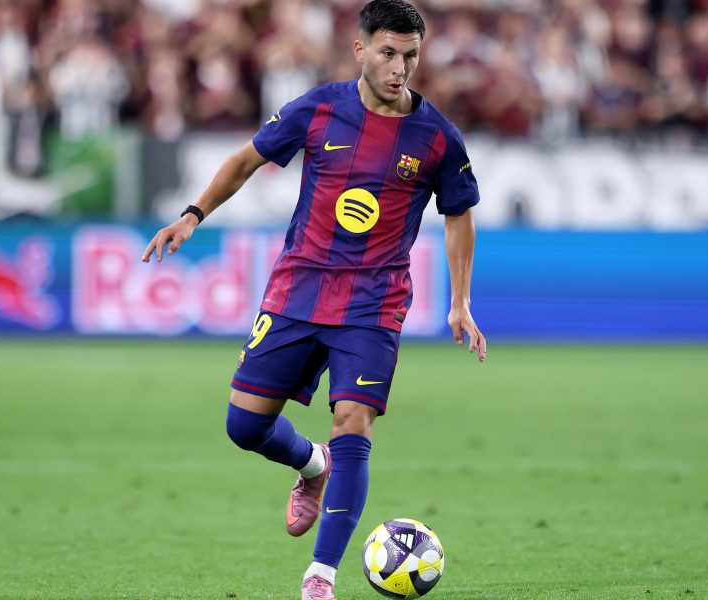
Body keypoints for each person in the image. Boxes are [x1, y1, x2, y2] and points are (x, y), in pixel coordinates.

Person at [142, 1, 486, 598]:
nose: (399, 67)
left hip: (373, 304)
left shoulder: (437, 138)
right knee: (244, 426)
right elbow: (247, 160)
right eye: (387, 53)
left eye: (410, 55)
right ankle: (313, 467)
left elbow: (459, 216)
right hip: (298, 287)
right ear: (360, 50)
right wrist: (193, 215)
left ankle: (319, 577)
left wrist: (460, 302)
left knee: (355, 423)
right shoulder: (319, 108)